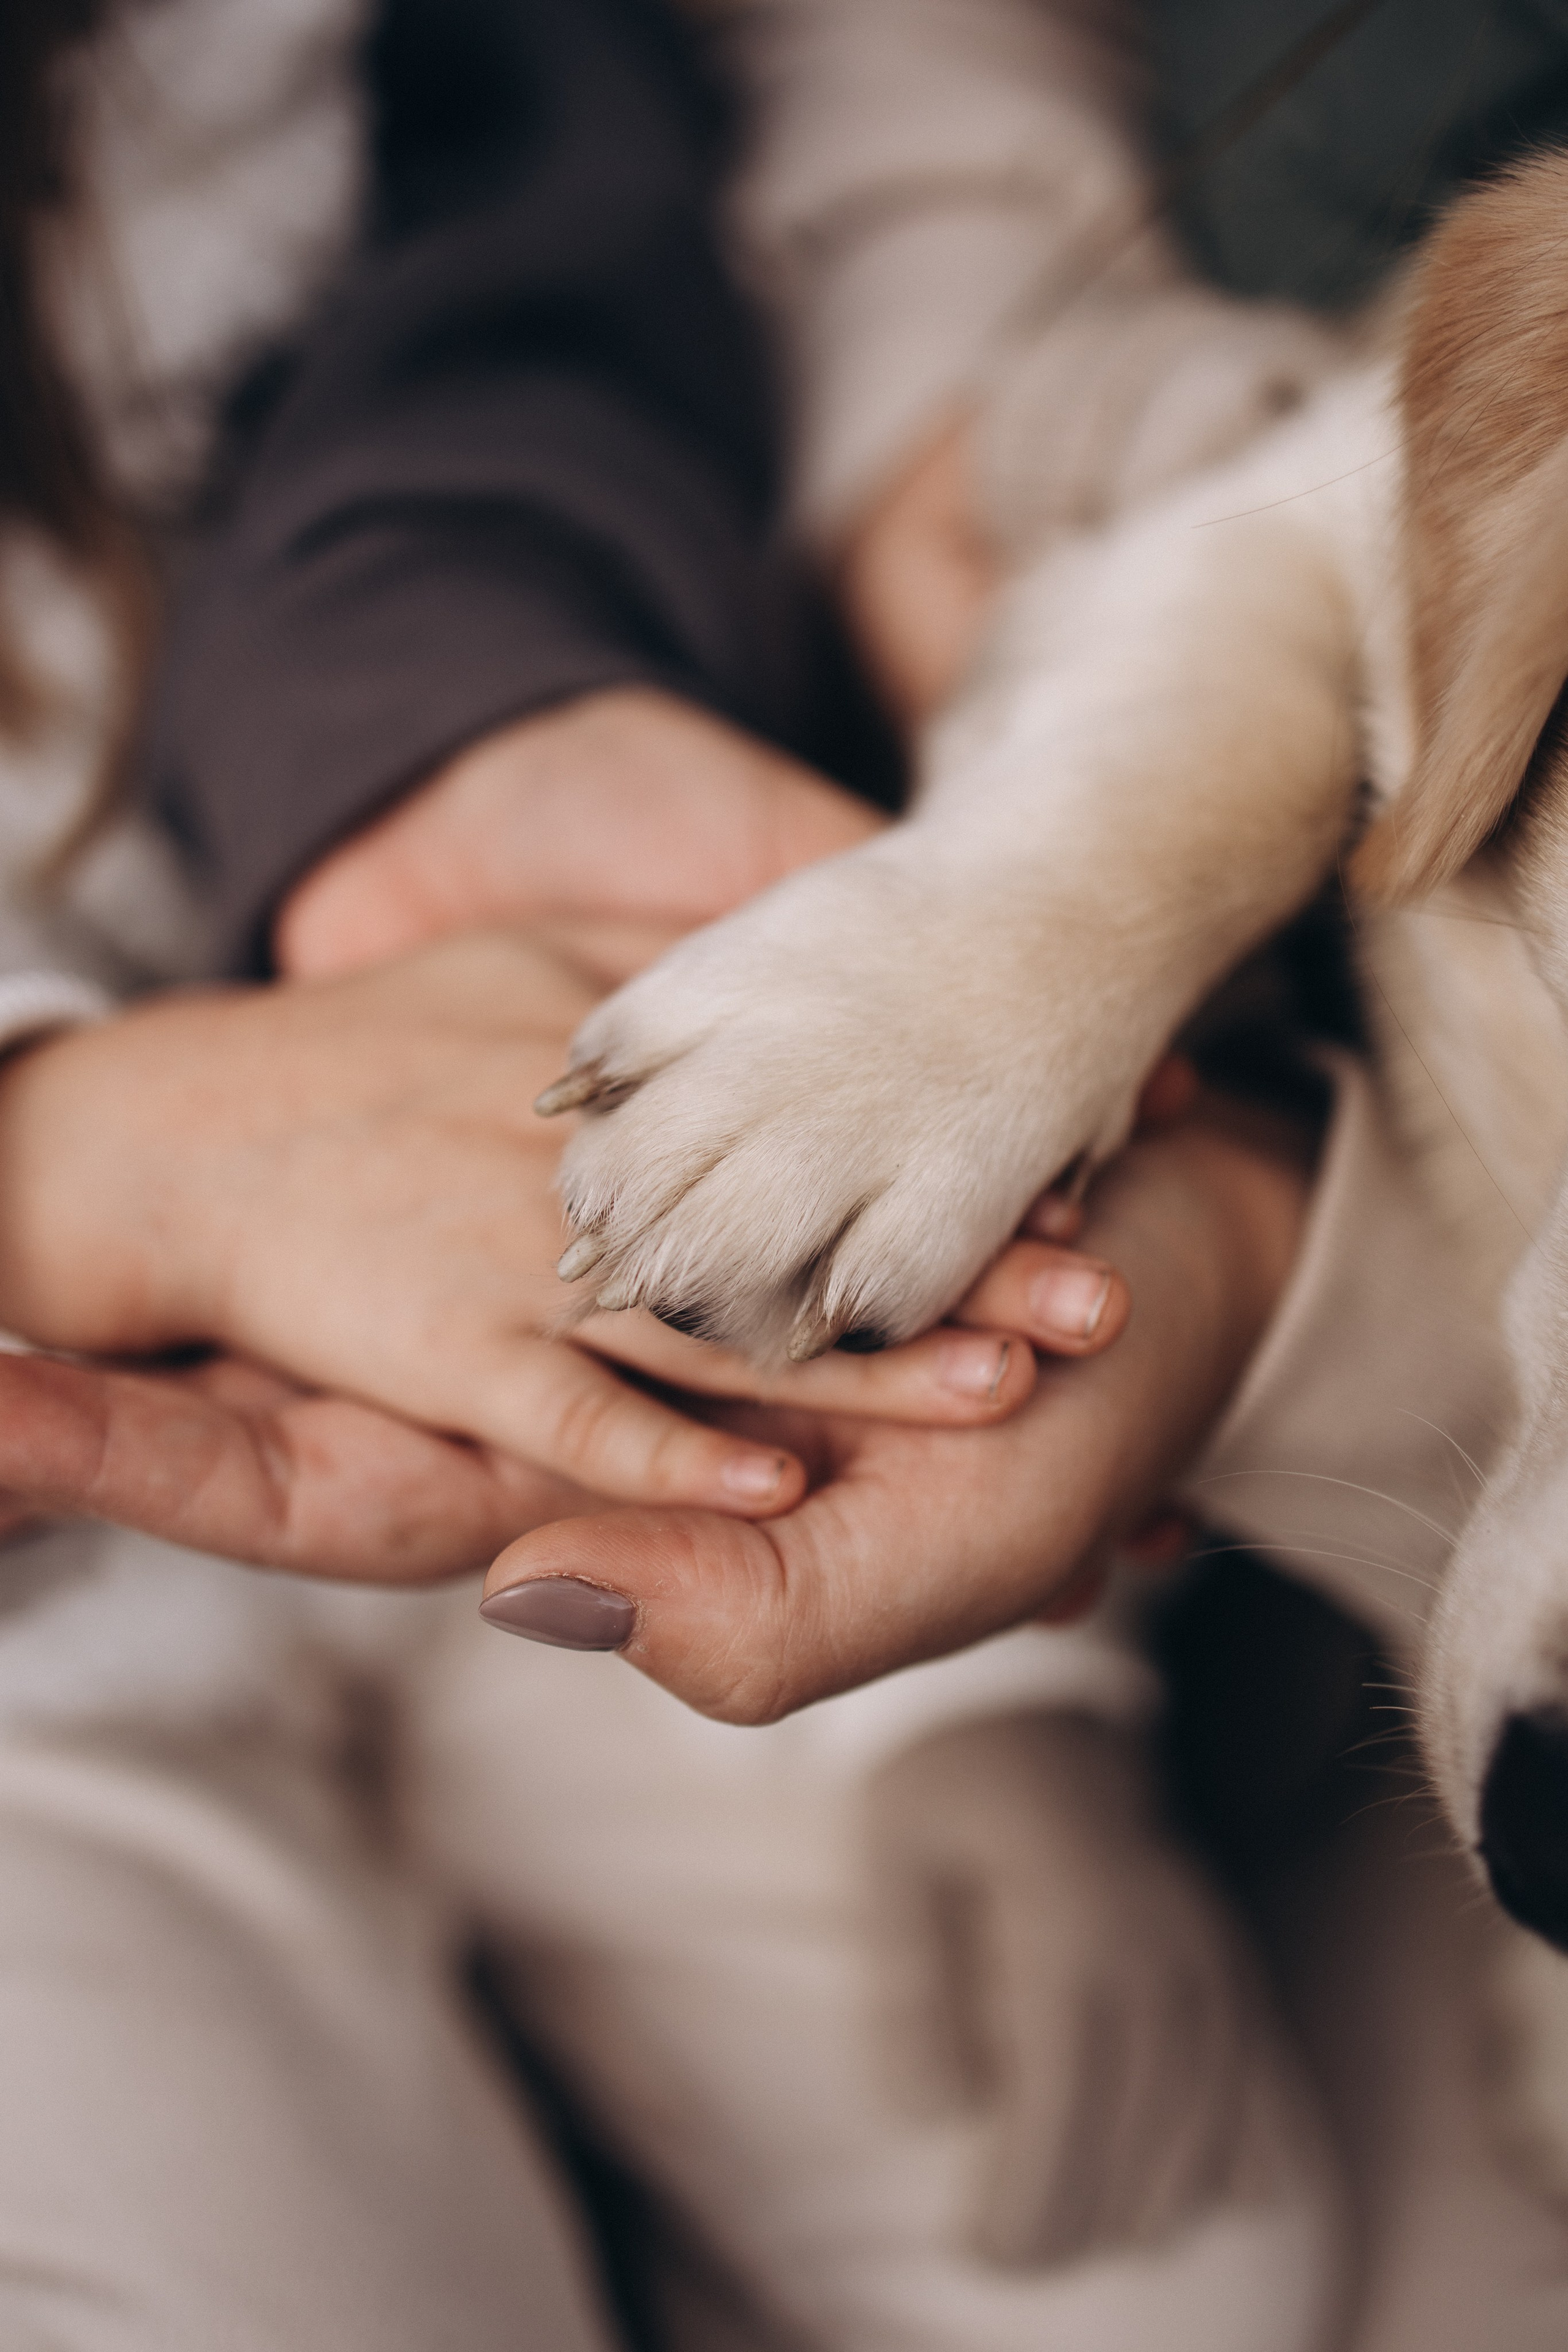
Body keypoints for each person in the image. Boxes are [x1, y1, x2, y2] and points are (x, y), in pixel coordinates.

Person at [0, 2, 1350, 2346]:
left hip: (499, 1338)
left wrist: (954, 1678)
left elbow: (519, 369)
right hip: (60, 1628)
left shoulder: (377, 98)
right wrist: (86, 1150)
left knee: (1169, 2295)